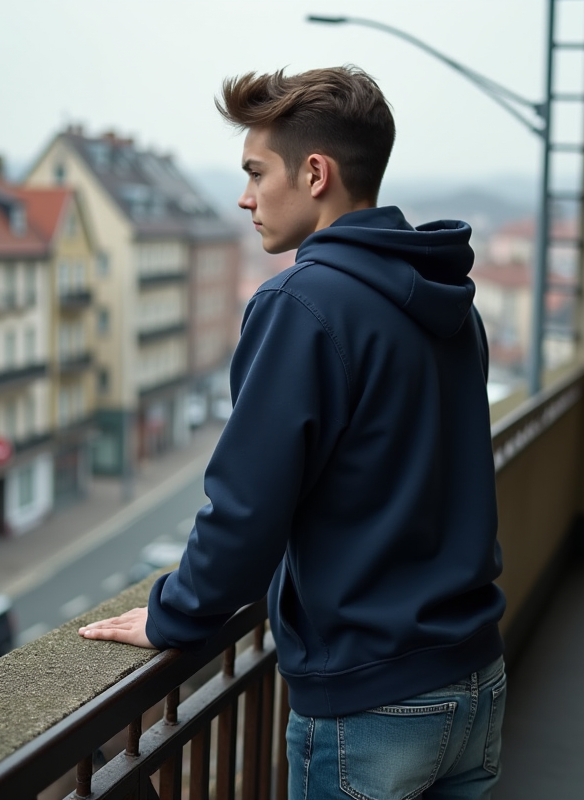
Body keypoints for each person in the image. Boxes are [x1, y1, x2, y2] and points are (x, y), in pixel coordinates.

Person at [80, 65, 506, 800]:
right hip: (476, 680)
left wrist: (177, 613)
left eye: (255, 172)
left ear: (315, 173)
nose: (244, 198)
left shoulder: (301, 303)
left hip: (372, 701)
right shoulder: (450, 301)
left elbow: (248, 506)